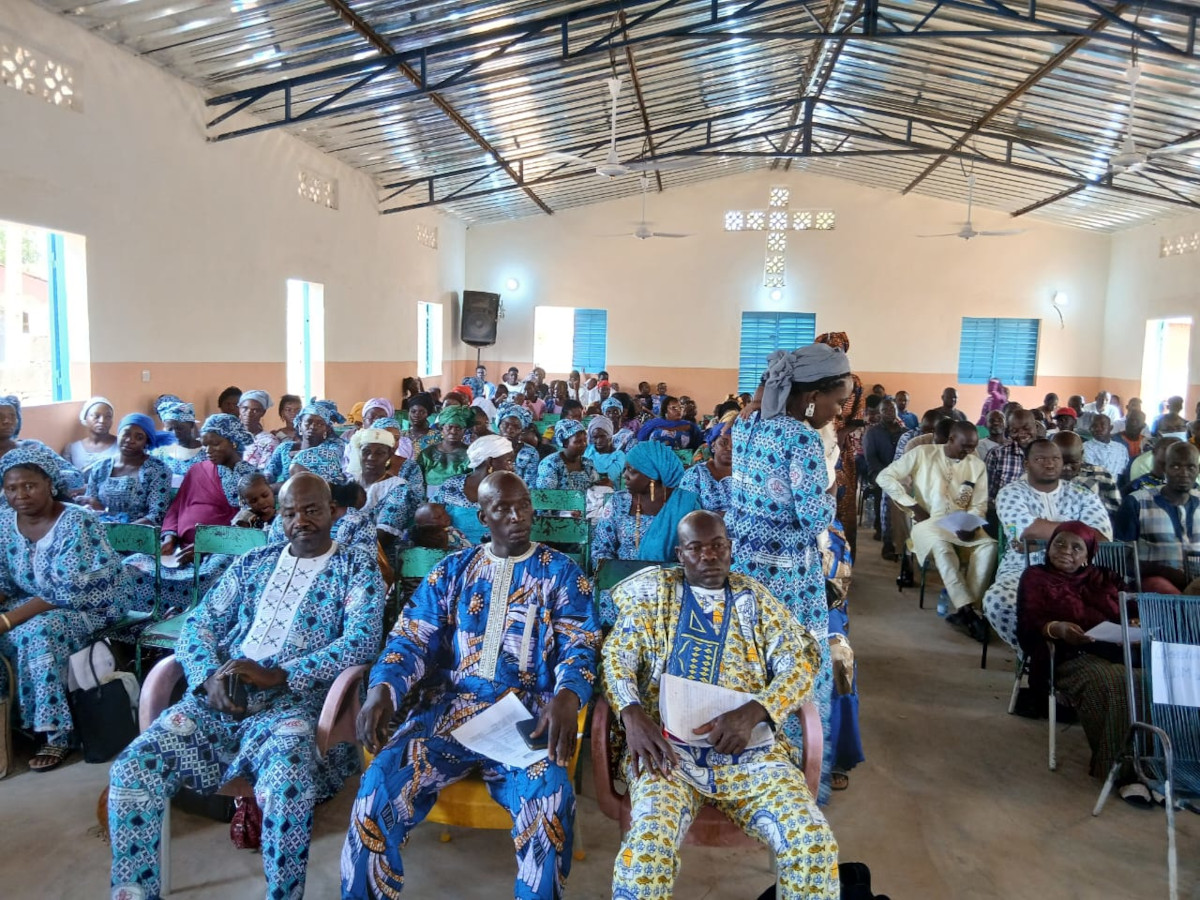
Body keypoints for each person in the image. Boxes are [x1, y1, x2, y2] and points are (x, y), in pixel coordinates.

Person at [109, 474, 382, 900]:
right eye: (289, 513)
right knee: (131, 769)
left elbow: (362, 640)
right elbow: (200, 623)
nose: (300, 521)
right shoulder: (254, 562)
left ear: (333, 511)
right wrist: (207, 677)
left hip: (293, 704)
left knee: (288, 783)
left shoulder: (355, 567)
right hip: (220, 697)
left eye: (311, 510)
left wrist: (282, 673)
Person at [342, 473, 600, 900]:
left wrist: (568, 695)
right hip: (450, 711)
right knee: (377, 788)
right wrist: (382, 689)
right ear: (483, 517)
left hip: (527, 716)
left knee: (548, 798)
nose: (517, 516)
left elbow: (581, 644)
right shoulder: (453, 571)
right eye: (502, 508)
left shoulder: (561, 574)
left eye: (523, 505)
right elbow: (410, 638)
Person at [604, 511, 838, 898]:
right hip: (667, 756)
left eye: (717, 546)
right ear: (680, 554)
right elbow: (616, 658)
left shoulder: (754, 598)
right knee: (645, 856)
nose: (709, 556)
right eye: (696, 548)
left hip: (751, 755)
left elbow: (802, 661)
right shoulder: (654, 595)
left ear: (730, 549)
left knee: (813, 844)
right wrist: (631, 714)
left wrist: (756, 711)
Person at [727, 341, 851, 802]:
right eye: (837, 401)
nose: (838, 412)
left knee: (749, 662)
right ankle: (794, 781)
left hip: (744, 566)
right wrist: (832, 490)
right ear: (812, 396)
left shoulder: (746, 424)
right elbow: (813, 517)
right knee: (797, 667)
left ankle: (744, 772)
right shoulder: (800, 438)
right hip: (789, 576)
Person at [0, 446, 130, 771]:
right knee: (29, 627)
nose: (20, 495)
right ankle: (15, 724)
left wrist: (7, 620)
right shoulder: (4, 522)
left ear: (49, 483)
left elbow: (64, 591)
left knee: (41, 632)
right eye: (11, 488)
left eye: (29, 486)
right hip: (30, 601)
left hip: (90, 604)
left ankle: (56, 734)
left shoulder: (77, 521)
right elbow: (3, 581)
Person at [1016, 522, 1135, 781]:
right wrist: (1057, 629)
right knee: (1113, 681)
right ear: (1049, 547)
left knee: (1150, 682)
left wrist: (1133, 626)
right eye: (1059, 543)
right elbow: (1028, 622)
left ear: (1088, 555)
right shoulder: (1035, 577)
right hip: (1069, 656)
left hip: (1118, 652)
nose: (1065, 550)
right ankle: (1120, 771)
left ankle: (1157, 767)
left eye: (1076, 547)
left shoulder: (1106, 578)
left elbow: (1134, 608)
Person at [983, 439, 1113, 648]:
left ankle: (1079, 653)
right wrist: (1079, 534)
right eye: (1040, 459)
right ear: (1027, 464)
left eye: (1055, 458)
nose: (1050, 464)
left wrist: (1041, 537)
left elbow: (1103, 540)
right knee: (998, 601)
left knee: (1113, 605)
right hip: (1022, 569)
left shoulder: (1082, 494)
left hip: (1080, 573)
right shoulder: (1010, 493)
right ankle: (1038, 654)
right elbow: (1027, 532)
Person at [124, 414, 258, 614]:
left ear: (233, 442)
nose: (208, 451)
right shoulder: (197, 470)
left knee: (210, 575)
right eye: (205, 445)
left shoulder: (249, 477)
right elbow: (176, 507)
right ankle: (148, 619)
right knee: (132, 565)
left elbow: (246, 522)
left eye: (215, 444)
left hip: (220, 549)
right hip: (179, 548)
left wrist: (206, 545)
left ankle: (190, 617)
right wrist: (169, 537)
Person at [877, 421, 996, 640]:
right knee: (942, 547)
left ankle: (968, 608)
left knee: (989, 547)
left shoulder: (976, 464)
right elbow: (884, 477)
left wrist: (970, 523)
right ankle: (967, 610)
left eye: (973, 447)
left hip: (962, 524)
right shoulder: (923, 453)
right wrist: (912, 505)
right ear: (951, 439)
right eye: (965, 447)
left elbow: (979, 505)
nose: (969, 452)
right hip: (929, 522)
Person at [591, 441, 702, 627]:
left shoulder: (685, 505)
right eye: (625, 469)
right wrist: (617, 577)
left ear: (652, 476)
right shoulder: (618, 502)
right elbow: (601, 547)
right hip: (619, 583)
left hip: (667, 585)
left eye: (632, 471)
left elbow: (695, 554)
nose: (624, 476)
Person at [1115, 441, 1200, 593]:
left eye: (1191, 467)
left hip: (1197, 583)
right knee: (1158, 585)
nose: (1184, 473)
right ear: (1164, 468)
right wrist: (1163, 571)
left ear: (1198, 470)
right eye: (1176, 466)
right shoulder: (1137, 502)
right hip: (1155, 585)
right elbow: (1120, 559)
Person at [814, 332, 866, 558]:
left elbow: (858, 416)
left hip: (841, 447)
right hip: (814, 441)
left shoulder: (854, 382)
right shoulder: (812, 379)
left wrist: (841, 435)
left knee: (843, 499)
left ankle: (843, 556)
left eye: (839, 352)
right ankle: (818, 552)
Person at [83, 413, 173, 525]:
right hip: (99, 530)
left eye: (139, 437)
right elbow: (90, 504)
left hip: (139, 531)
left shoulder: (158, 470)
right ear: (118, 434)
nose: (130, 440)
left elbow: (156, 515)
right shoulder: (100, 467)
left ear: (146, 442)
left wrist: (123, 531)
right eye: (126, 434)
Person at [348, 427, 419, 548]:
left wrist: (346, 547)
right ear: (359, 452)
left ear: (390, 455)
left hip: (375, 552)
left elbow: (385, 535)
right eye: (366, 451)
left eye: (380, 453)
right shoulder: (349, 483)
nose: (371, 457)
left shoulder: (399, 488)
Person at [433, 433, 515, 531]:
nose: (512, 468)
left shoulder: (509, 491)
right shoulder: (451, 486)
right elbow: (432, 519)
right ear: (490, 462)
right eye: (509, 461)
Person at [264, 401, 345, 484]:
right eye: (308, 422)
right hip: (287, 490)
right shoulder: (285, 448)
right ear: (299, 425)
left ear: (327, 429)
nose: (313, 427)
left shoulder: (333, 447)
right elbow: (270, 472)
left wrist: (299, 455)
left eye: (320, 424)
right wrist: (265, 481)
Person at [1054, 432, 1121, 519]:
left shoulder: (1100, 475)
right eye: (1061, 463)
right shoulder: (1042, 477)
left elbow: (1115, 510)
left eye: (1073, 463)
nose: (1067, 468)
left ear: (1082, 454)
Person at [986, 408, 1038, 510]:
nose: (1021, 434)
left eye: (1026, 428)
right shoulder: (997, 454)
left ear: (1036, 427)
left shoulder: (1048, 453)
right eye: (1015, 431)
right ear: (1008, 432)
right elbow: (988, 493)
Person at [679, 419, 733, 516]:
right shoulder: (696, 474)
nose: (729, 448)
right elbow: (686, 514)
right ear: (713, 445)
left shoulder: (747, 475)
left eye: (736, 444)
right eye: (724, 443)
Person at [418, 405, 472, 491]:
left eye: (458, 428)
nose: (453, 431)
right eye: (449, 427)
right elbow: (418, 483)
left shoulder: (470, 454)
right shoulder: (427, 454)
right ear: (441, 428)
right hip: (429, 498)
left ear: (464, 431)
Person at [536, 419, 598, 491]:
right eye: (578, 441)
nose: (584, 444)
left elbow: (595, 488)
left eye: (585, 440)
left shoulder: (587, 463)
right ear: (565, 443)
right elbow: (546, 495)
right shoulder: (550, 464)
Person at [152, 399, 204, 483]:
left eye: (180, 428)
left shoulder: (206, 453)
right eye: (170, 429)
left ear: (191, 425)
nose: (175, 433)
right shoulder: (159, 452)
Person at [65, 396, 118, 472]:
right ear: (85, 418)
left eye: (108, 417)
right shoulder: (72, 449)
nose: (102, 421)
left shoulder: (120, 447)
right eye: (96, 416)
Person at [635, 395, 704, 450]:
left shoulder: (689, 425)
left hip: (683, 458)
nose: (679, 410)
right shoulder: (653, 423)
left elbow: (697, 444)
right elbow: (641, 440)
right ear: (665, 410)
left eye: (680, 407)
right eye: (674, 408)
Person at [237, 389, 280, 470]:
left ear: (263, 413)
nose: (249, 413)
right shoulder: (230, 437)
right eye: (245, 408)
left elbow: (265, 472)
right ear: (239, 409)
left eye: (255, 410)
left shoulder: (269, 441)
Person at [584, 413, 626, 486]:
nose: (599, 441)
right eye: (595, 437)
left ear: (610, 436)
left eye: (602, 436)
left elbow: (608, 478)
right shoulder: (588, 451)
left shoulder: (618, 455)